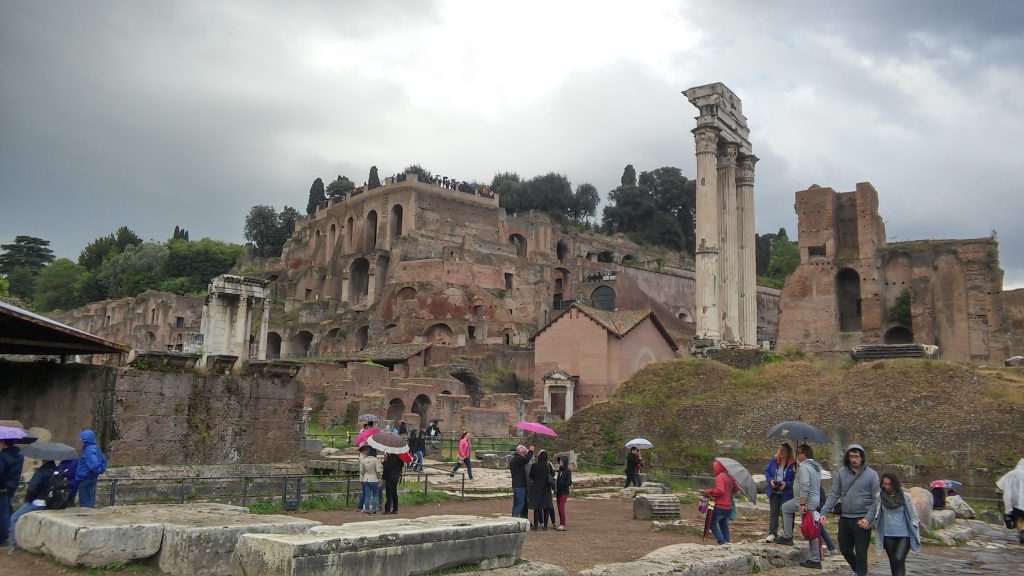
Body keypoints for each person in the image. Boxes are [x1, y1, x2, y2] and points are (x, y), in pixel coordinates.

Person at [821, 444, 880, 576]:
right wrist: (824, 512)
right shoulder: (842, 473)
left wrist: (868, 519)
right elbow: (834, 493)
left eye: (856, 456)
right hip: (845, 517)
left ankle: (861, 573)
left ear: (862, 457)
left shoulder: (872, 475)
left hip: (862, 518)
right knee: (844, 548)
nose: (854, 459)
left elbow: (877, 500)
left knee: (861, 552)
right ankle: (858, 571)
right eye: (851, 456)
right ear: (847, 457)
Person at [779, 444, 824, 568]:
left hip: (805, 502)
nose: (797, 456)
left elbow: (805, 485)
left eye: (799, 453)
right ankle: (787, 536)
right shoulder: (813, 467)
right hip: (805, 500)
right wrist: (797, 472)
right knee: (786, 508)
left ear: (804, 455)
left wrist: (803, 503)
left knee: (810, 529)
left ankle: (815, 560)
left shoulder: (805, 467)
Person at [868, 472, 921, 576]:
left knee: (898, 558)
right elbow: (875, 511)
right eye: (885, 484)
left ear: (895, 484)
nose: (887, 487)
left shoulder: (905, 496)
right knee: (894, 562)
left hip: (904, 535)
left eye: (889, 484)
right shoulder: (880, 497)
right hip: (887, 535)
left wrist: (915, 528)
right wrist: (867, 521)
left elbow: (913, 514)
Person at [8, 459, 58, 552]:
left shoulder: (41, 471)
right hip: (54, 503)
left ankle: (15, 545)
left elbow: (32, 489)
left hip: (39, 503)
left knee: (14, 518)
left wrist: (28, 500)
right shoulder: (58, 470)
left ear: (43, 459)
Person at [764, 443, 796, 543]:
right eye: (780, 450)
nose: (781, 452)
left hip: (786, 493)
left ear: (788, 452)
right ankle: (772, 533)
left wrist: (787, 484)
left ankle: (787, 534)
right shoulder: (774, 461)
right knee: (774, 512)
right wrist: (771, 481)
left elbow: (795, 479)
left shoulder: (793, 465)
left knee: (786, 513)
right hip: (774, 491)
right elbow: (767, 471)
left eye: (783, 450)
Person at [701, 460, 739, 544]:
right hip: (728, 507)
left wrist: (709, 491)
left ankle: (721, 541)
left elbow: (720, 491)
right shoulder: (730, 477)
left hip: (720, 506)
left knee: (712, 524)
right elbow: (736, 489)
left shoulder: (719, 477)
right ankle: (727, 542)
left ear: (718, 467)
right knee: (724, 525)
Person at [0, 439, 25, 546]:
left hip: (3, 486)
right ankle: (10, 531)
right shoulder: (20, 453)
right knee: (7, 507)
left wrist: (2, 487)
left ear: (3, 442)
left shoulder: (3, 455)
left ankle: (3, 537)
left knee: (3, 511)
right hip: (13, 484)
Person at [76, 429, 107, 508]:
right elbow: (104, 460)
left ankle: (85, 514)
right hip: (92, 477)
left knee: (85, 502)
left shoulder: (89, 450)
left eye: (81, 439)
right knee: (90, 499)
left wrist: (96, 471)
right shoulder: (95, 448)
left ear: (86, 440)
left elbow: (94, 464)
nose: (80, 441)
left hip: (86, 477)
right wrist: (100, 470)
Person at [996, 457, 1024, 544]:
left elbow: (1000, 485)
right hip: (1022, 499)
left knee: (1018, 518)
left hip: (1012, 500)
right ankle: (1023, 532)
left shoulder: (1011, 473)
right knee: (1022, 517)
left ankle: (1021, 533)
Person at [529, 450, 556, 530]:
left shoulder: (534, 466)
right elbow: (552, 475)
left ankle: (536, 526)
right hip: (546, 488)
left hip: (536, 488)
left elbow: (531, 475)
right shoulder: (547, 466)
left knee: (537, 507)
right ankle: (545, 526)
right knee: (546, 507)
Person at [509, 444, 534, 518]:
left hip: (516, 485)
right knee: (520, 504)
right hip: (520, 485)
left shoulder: (514, 459)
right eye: (524, 453)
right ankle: (515, 519)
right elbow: (526, 460)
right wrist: (531, 451)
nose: (525, 455)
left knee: (516, 504)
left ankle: (514, 518)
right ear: (521, 453)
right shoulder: (518, 459)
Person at [358, 444, 382, 514]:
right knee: (375, 495)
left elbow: (361, 471)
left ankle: (367, 509)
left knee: (367, 495)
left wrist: (365, 475)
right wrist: (378, 476)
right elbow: (378, 471)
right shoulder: (376, 460)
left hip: (366, 479)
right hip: (374, 479)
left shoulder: (364, 460)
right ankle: (374, 509)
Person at [555, 454, 572, 531]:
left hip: (564, 492)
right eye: (560, 461)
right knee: (559, 508)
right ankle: (561, 523)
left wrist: (561, 483)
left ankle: (563, 524)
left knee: (561, 507)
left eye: (561, 461)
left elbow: (569, 482)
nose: (560, 462)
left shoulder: (568, 471)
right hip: (558, 491)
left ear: (565, 461)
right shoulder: (560, 470)